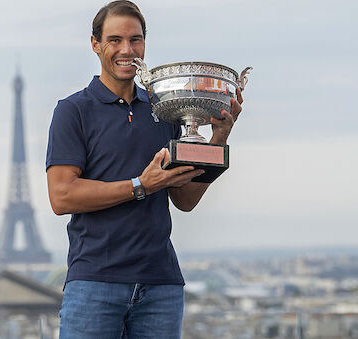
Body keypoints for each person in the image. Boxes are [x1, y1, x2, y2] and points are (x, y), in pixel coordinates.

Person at [45, 1, 244, 338]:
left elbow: (184, 199)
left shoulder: (166, 110)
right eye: (115, 40)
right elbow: (62, 196)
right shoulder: (73, 110)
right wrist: (141, 185)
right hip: (95, 283)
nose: (127, 50)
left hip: (161, 285)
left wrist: (219, 138)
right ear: (95, 44)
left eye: (135, 40)